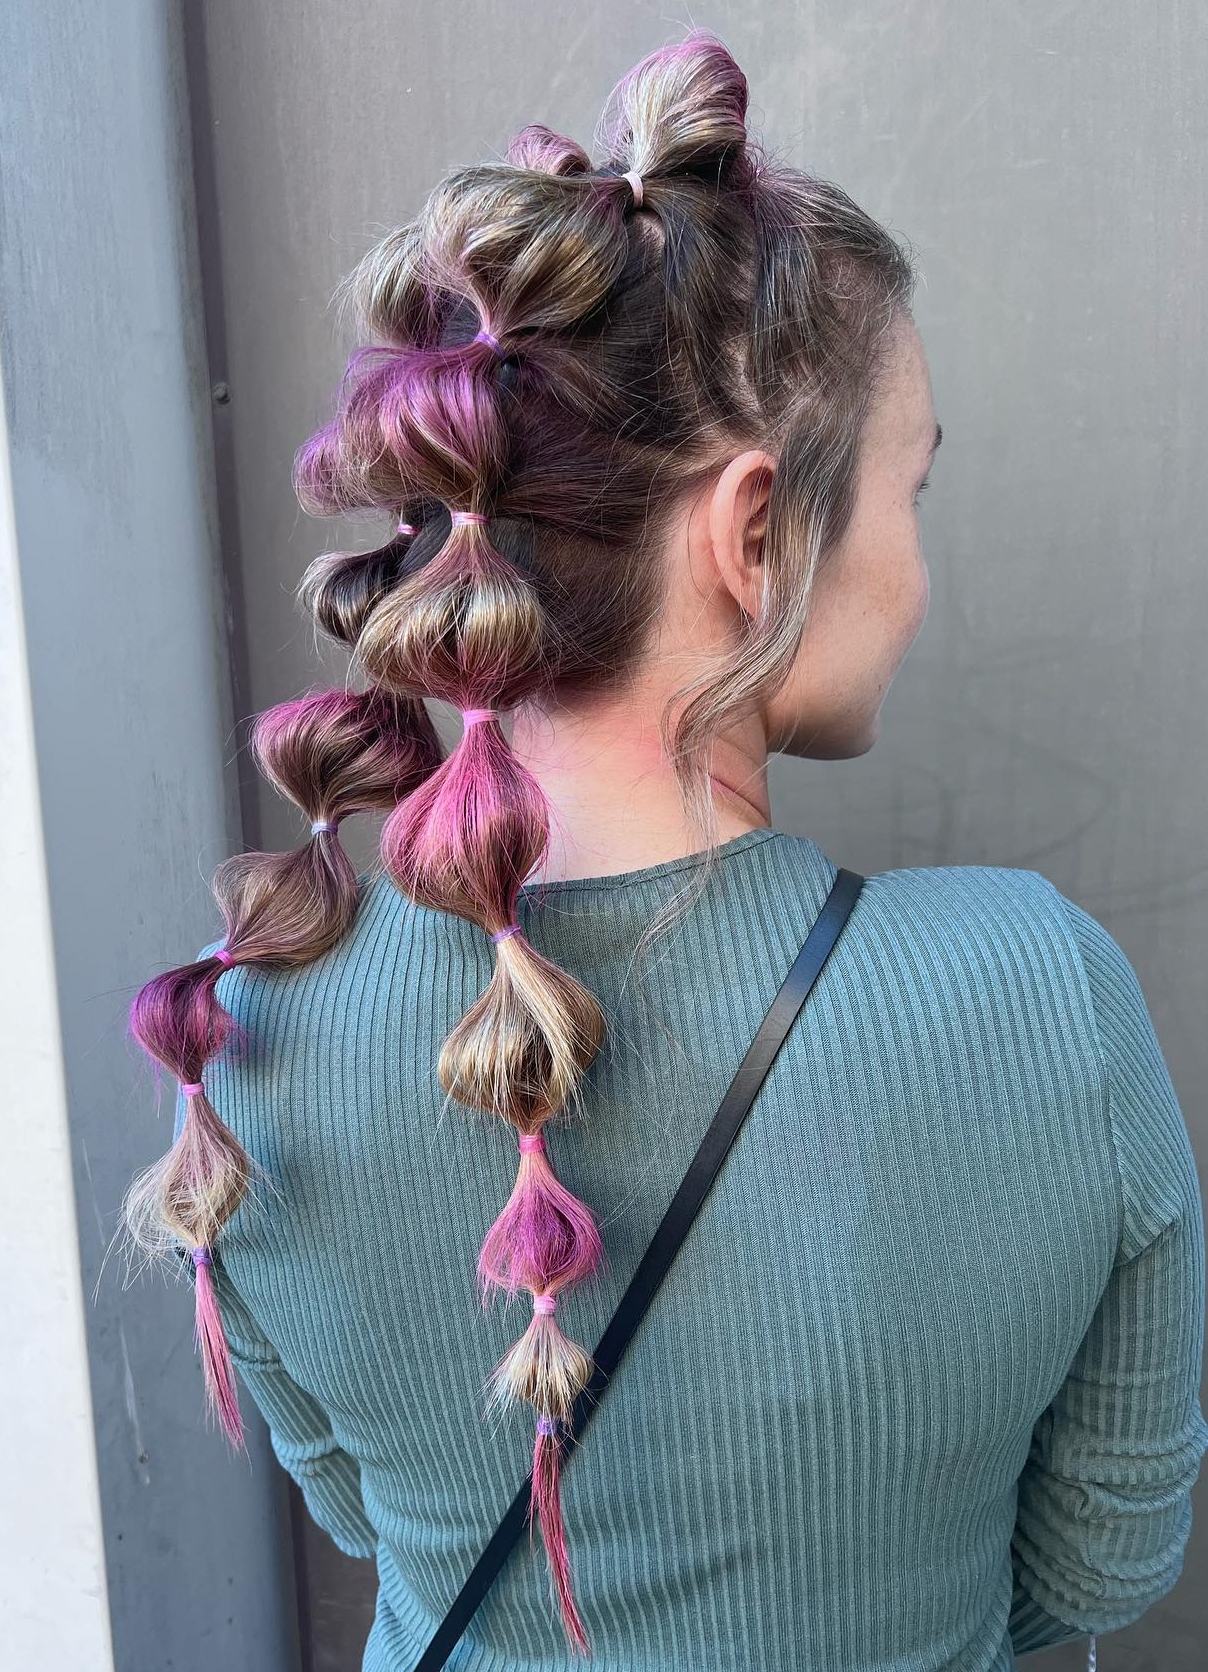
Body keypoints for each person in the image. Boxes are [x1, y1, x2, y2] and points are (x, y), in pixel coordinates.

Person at [119, 28, 1208, 1672]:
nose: (916, 570)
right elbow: (1107, 1557)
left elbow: (364, 1512)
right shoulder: (1042, 992)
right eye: (911, 492)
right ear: (756, 537)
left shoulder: (249, 1030)